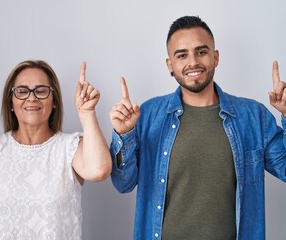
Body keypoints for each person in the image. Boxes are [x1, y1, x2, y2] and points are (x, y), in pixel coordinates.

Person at [109, 15, 286, 240]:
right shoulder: (148, 115)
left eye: (201, 52)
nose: (193, 62)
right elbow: (122, 184)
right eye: (182, 55)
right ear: (170, 65)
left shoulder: (253, 116)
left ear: (215, 57)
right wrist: (124, 134)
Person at [0, 60, 112, 240]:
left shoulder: (69, 147)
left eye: (41, 90)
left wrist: (87, 114)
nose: (31, 97)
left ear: (54, 100)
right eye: (22, 91)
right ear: (11, 102)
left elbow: (99, 170)